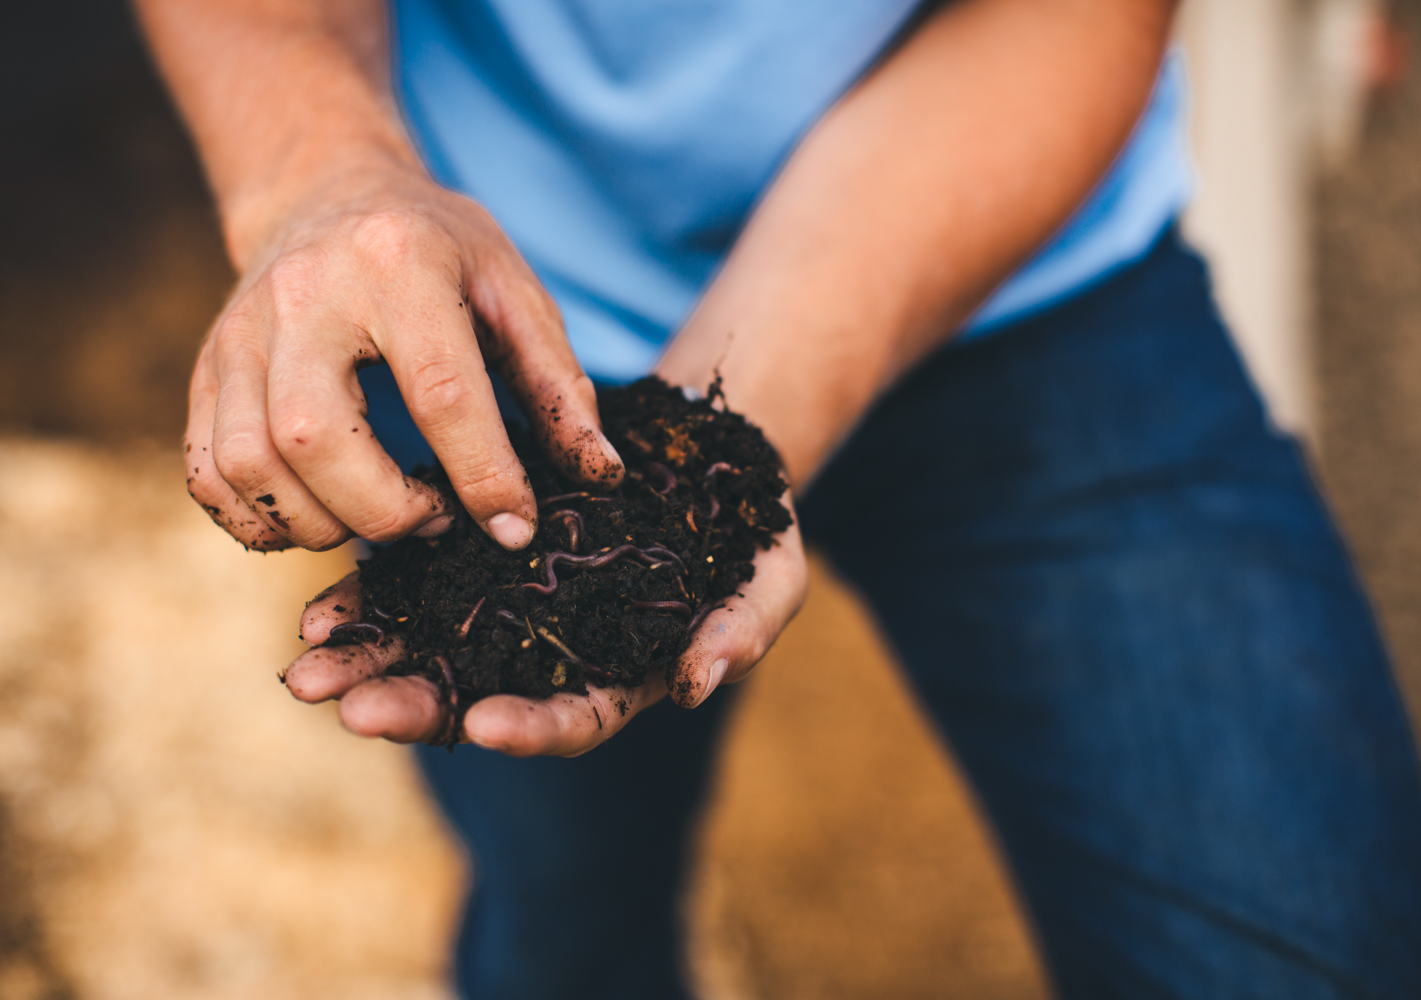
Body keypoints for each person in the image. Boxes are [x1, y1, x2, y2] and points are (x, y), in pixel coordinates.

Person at [136, 0, 1421, 996]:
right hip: (483, 315)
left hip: (1027, 266)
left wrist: (718, 448)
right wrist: (325, 175)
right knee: (560, 911)